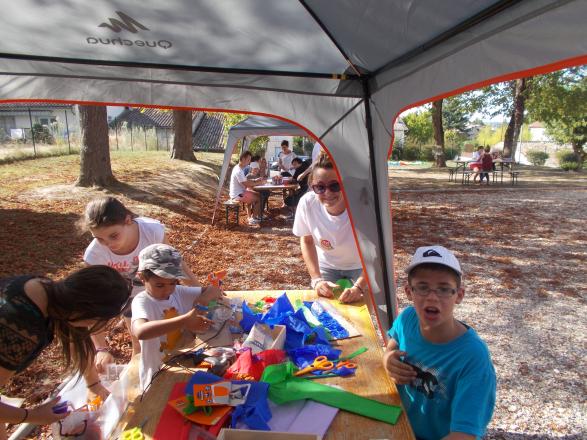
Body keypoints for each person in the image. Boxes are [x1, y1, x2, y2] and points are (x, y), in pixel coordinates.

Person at [0, 266, 131, 437]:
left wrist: (93, 384)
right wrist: (33, 416)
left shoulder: (50, 291)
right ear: (86, 312)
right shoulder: (22, 328)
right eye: (98, 320)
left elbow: (75, 336)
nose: (92, 326)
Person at [382, 245, 496, 440]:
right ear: (409, 292)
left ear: (459, 295)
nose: (432, 297)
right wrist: (387, 360)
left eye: (444, 289)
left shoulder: (473, 358)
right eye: (423, 287)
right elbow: (391, 346)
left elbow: (464, 434)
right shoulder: (407, 318)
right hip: (398, 425)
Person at [78, 196, 200, 370]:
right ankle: (143, 369)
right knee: (141, 343)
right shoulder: (95, 255)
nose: (108, 244)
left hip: (161, 287)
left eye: (113, 236)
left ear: (128, 220)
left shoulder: (151, 231)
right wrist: (101, 348)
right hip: (130, 298)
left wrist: (199, 289)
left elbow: (174, 262)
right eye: (99, 239)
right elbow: (93, 303)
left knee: (174, 333)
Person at [131, 244, 222, 391]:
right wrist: (185, 320)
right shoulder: (142, 301)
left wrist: (200, 304)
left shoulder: (177, 292)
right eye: (159, 285)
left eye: (173, 282)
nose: (168, 290)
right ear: (142, 277)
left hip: (180, 366)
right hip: (156, 373)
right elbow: (141, 332)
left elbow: (214, 290)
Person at [292, 152, 366, 303]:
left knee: (362, 313)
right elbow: (306, 240)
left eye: (335, 186)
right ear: (313, 187)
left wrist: (359, 287)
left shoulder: (363, 206)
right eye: (320, 187)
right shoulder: (307, 203)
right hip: (326, 265)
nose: (327, 193)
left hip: (362, 267)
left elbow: (379, 254)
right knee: (327, 312)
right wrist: (317, 279)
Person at [229, 151, 264, 225]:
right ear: (243, 159)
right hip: (238, 195)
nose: (249, 162)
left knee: (259, 195)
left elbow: (245, 180)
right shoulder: (238, 171)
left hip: (239, 192)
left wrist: (255, 180)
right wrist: (259, 183)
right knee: (258, 198)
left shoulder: (238, 168)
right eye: (248, 160)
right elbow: (247, 184)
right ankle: (253, 219)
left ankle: (254, 216)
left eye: (249, 160)